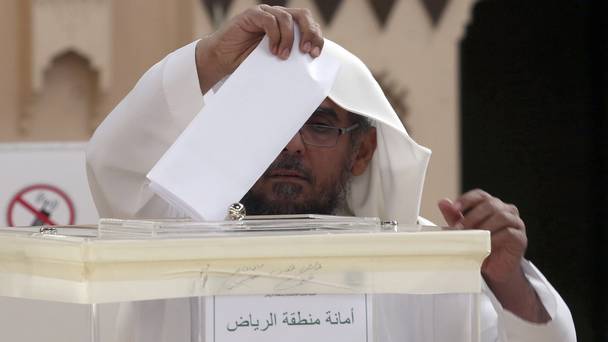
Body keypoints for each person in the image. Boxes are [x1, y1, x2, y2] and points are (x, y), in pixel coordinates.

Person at [86, 5, 576, 342]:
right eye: (270, 118)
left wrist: (508, 279)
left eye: (319, 125)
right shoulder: (177, 235)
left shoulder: (418, 266)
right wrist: (210, 58)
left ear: (362, 151)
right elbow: (115, 161)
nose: (291, 143)